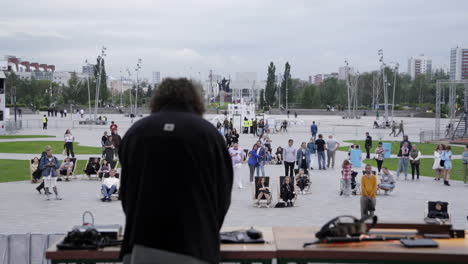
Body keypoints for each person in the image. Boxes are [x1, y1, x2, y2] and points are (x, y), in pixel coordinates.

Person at [119, 78, 232, 263]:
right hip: (196, 246)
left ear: (157, 99)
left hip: (142, 244)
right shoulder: (208, 134)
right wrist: (208, 230)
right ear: (196, 100)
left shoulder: (137, 132)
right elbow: (222, 194)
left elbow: (127, 193)